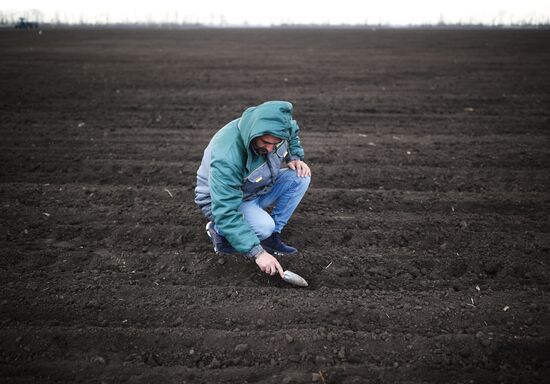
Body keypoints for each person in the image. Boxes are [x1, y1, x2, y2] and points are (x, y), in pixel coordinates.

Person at [195, 101, 311, 278]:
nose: (270, 149)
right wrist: (257, 253)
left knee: (300, 176)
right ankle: (219, 231)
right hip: (222, 201)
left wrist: (294, 156)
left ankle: (272, 237)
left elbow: (292, 129)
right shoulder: (227, 156)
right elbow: (225, 210)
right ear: (255, 134)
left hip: (256, 186)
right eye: (266, 143)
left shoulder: (277, 130)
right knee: (263, 226)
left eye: (276, 144)